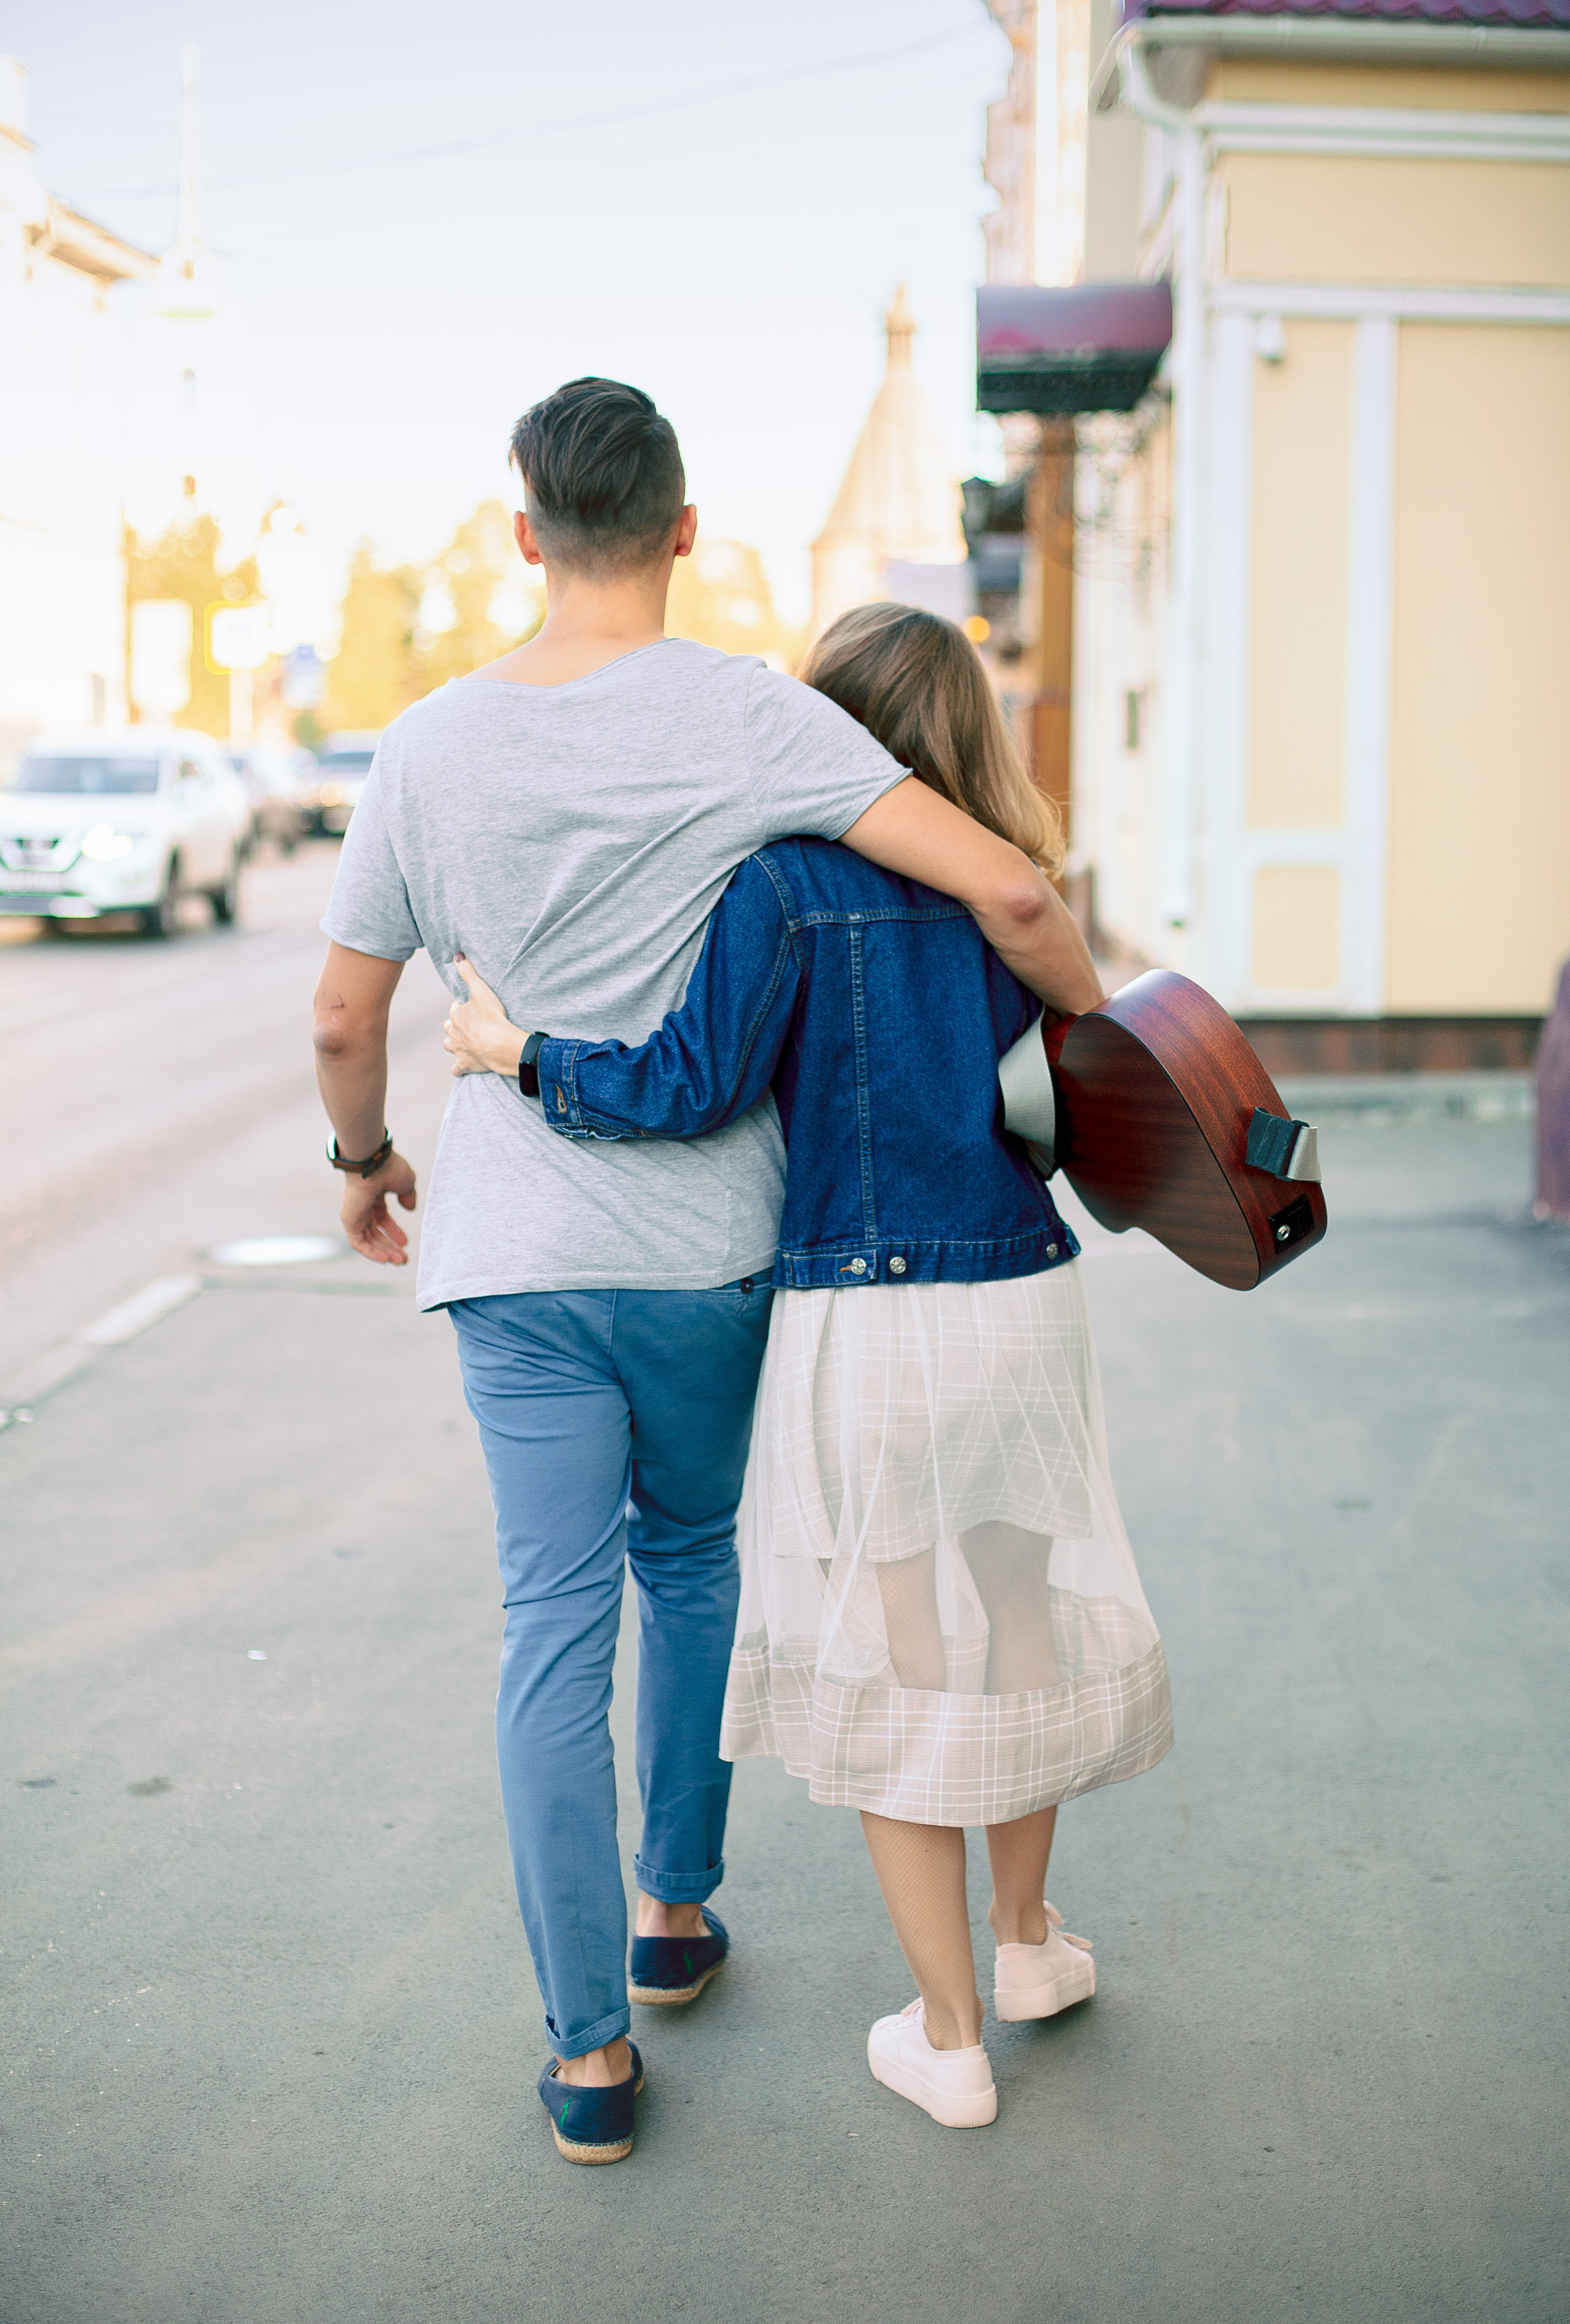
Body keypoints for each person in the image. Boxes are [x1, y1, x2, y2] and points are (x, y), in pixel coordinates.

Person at [312, 380, 1105, 2165]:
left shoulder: (428, 744)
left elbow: (344, 1010)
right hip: (708, 1255)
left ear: (525, 533)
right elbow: (998, 886)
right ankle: (679, 1908)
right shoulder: (753, 717)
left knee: (547, 1615)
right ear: (683, 530)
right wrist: (1121, 1057)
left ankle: (589, 2053)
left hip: (511, 1250)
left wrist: (368, 1164)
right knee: (689, 1563)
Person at [443, 602, 1173, 2133]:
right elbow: (1079, 1066)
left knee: (906, 1635)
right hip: (1022, 1295)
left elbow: (684, 1087)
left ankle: (948, 2035)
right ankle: (1029, 1950)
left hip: (867, 1310)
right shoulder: (1010, 888)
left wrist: (511, 1052)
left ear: (822, 732)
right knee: (1018, 1608)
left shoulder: (781, 885)